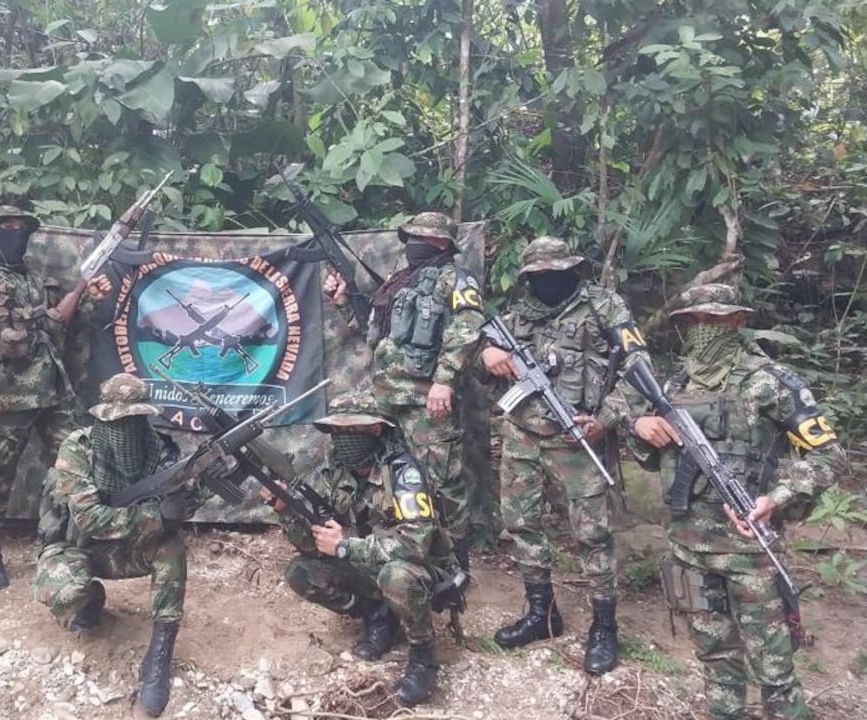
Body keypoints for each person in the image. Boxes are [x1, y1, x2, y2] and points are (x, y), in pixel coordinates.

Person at [629, 283, 846, 720]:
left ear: (738, 321)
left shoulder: (770, 381)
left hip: (752, 553)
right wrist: (641, 426)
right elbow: (654, 460)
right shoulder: (672, 384)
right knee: (714, 660)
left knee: (774, 670)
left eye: (715, 318)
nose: (703, 328)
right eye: (694, 321)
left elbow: (828, 454)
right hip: (689, 549)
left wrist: (775, 497)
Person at [479, 236, 646, 674]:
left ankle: (604, 626)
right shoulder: (518, 315)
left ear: (573, 269)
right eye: (538, 276)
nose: (547, 282)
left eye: (555, 273)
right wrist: (488, 353)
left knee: (592, 535)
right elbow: (481, 356)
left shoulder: (604, 308)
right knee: (522, 525)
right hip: (522, 436)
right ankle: (542, 613)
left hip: (580, 439)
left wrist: (605, 419)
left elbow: (639, 372)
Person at [270, 390, 461, 707]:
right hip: (367, 558)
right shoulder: (336, 472)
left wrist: (346, 546)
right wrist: (286, 510)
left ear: (376, 430)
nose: (342, 439)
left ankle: (423, 656)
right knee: (302, 572)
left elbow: (414, 545)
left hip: (421, 568)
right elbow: (313, 543)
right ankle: (378, 617)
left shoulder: (403, 473)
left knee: (396, 576)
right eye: (337, 431)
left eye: (351, 430)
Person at [324, 212, 484, 572]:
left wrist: (445, 380)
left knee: (443, 482)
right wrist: (342, 301)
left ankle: (456, 565)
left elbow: (469, 327)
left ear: (443, 243)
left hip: (427, 399)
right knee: (383, 471)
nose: (413, 244)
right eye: (410, 237)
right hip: (386, 399)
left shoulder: (454, 279)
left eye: (422, 238)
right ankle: (391, 546)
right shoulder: (401, 283)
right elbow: (374, 333)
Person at [0, 206, 88, 590]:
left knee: (73, 468)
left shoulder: (36, 282)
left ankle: (61, 545)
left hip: (54, 392)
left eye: (21, 229)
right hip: (6, 397)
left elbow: (54, 324)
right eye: (7, 229)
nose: (15, 235)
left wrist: (82, 293)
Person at [33, 373, 194, 718]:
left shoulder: (162, 450)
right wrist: (155, 517)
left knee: (172, 550)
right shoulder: (77, 449)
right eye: (118, 421)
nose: (126, 429)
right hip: (77, 548)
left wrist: (189, 498)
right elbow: (89, 518)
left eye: (135, 420)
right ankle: (90, 601)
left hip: (128, 549)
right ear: (101, 417)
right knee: (67, 595)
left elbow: (179, 505)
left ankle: (160, 653)